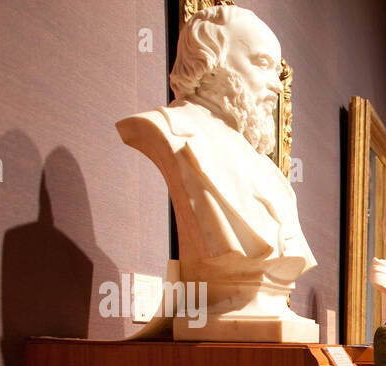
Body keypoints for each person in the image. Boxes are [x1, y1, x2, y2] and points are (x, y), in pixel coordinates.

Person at [115, 3, 318, 342]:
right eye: (262, 64)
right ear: (211, 62)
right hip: (214, 318)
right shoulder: (169, 131)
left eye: (276, 71)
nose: (276, 87)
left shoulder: (271, 172)